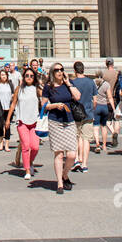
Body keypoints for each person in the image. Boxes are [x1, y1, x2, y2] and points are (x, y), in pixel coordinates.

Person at [42, 63, 81, 193]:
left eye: (61, 69)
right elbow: (44, 105)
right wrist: (54, 105)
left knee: (71, 154)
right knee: (58, 154)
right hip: (55, 122)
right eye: (57, 70)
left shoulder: (68, 85)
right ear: (52, 72)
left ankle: (65, 174)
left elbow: (78, 97)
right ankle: (59, 183)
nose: (59, 72)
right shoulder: (48, 87)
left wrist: (68, 83)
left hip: (69, 121)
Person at [5, 65, 43, 180]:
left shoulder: (37, 89)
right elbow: (13, 104)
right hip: (22, 121)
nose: (29, 77)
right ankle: (27, 170)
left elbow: (46, 100)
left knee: (35, 147)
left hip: (35, 122)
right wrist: (8, 119)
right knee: (26, 146)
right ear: (23, 77)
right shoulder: (19, 89)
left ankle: (30, 162)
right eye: (27, 75)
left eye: (31, 76)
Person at [69, 60, 96, 173]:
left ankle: (76, 160)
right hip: (88, 113)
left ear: (75, 71)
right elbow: (95, 100)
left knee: (76, 137)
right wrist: (91, 108)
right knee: (86, 140)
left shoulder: (73, 82)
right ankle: (84, 164)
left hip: (75, 114)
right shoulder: (91, 82)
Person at [92, 72, 114, 154]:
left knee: (96, 127)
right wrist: (113, 108)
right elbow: (110, 97)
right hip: (104, 106)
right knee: (104, 126)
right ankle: (104, 145)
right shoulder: (106, 84)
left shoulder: (92, 83)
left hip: (96, 106)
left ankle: (97, 144)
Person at [0, 68, 14, 149]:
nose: (3, 76)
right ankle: (1, 141)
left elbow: (13, 94)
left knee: (7, 125)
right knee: (0, 125)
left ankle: (7, 144)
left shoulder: (10, 84)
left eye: (5, 75)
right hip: (0, 108)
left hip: (8, 108)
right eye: (2, 75)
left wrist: (13, 97)